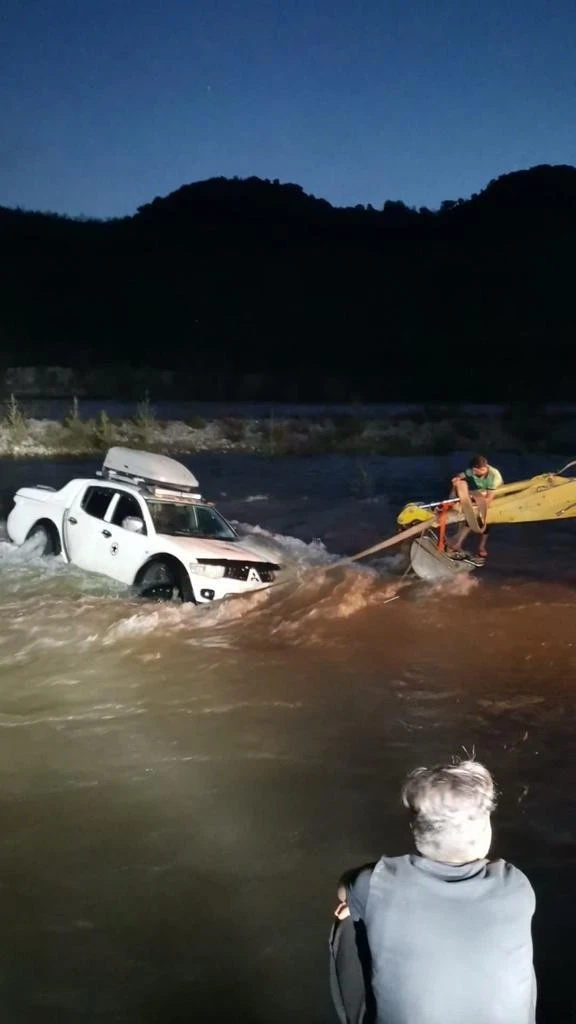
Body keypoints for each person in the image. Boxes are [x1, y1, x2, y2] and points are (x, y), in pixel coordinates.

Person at [333, 760, 536, 1024]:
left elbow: (341, 889)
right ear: (485, 831)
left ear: (415, 832)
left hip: (372, 892)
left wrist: (361, 896)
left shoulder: (377, 882)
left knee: (348, 919)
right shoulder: (516, 885)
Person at [448, 454, 503, 561]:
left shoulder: (494, 477)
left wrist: (473, 505)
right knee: (470, 518)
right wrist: (457, 479)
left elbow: (489, 499)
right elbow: (462, 475)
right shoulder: (473, 470)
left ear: (483, 469)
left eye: (476, 472)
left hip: (496, 496)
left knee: (485, 520)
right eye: (473, 471)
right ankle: (457, 543)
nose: (473, 473)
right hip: (480, 492)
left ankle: (481, 546)